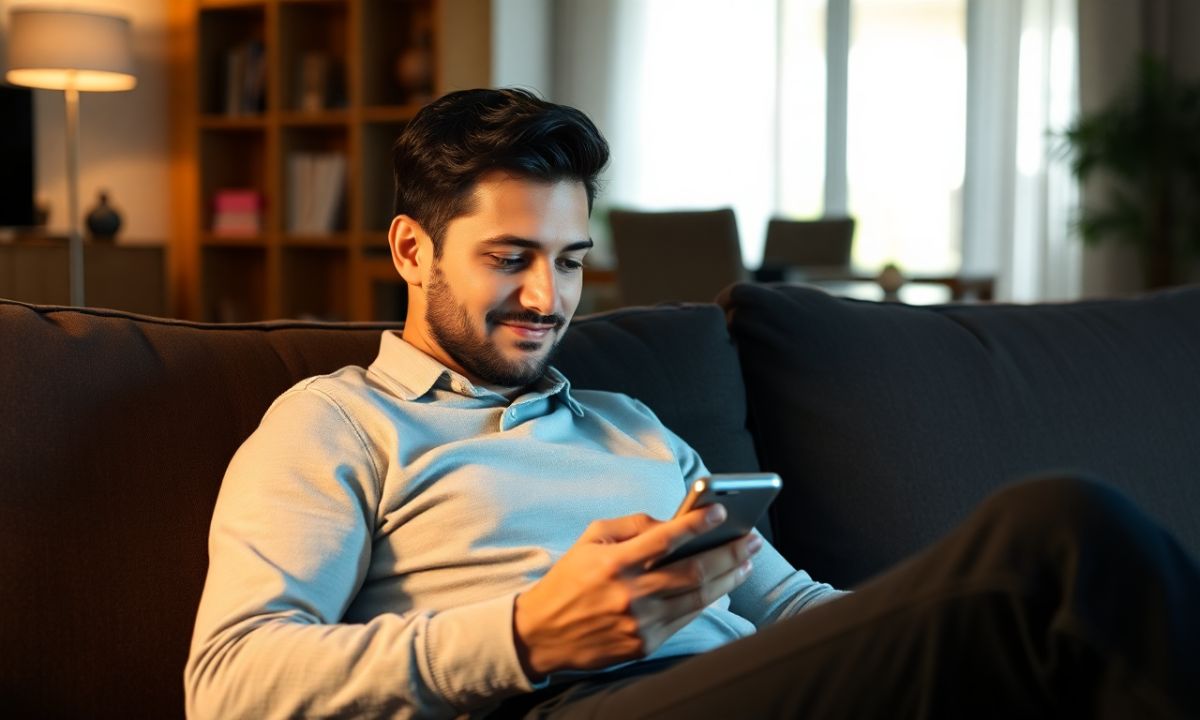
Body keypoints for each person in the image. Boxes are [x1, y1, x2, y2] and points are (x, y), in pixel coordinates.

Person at [185, 88, 1200, 719]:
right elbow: (229, 684)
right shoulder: (336, 423)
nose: (549, 299)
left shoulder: (630, 423)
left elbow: (791, 607)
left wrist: (918, 631)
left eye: (571, 263)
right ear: (413, 250)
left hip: (748, 685)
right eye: (510, 259)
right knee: (1061, 532)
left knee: (1057, 612)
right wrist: (527, 634)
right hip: (564, 703)